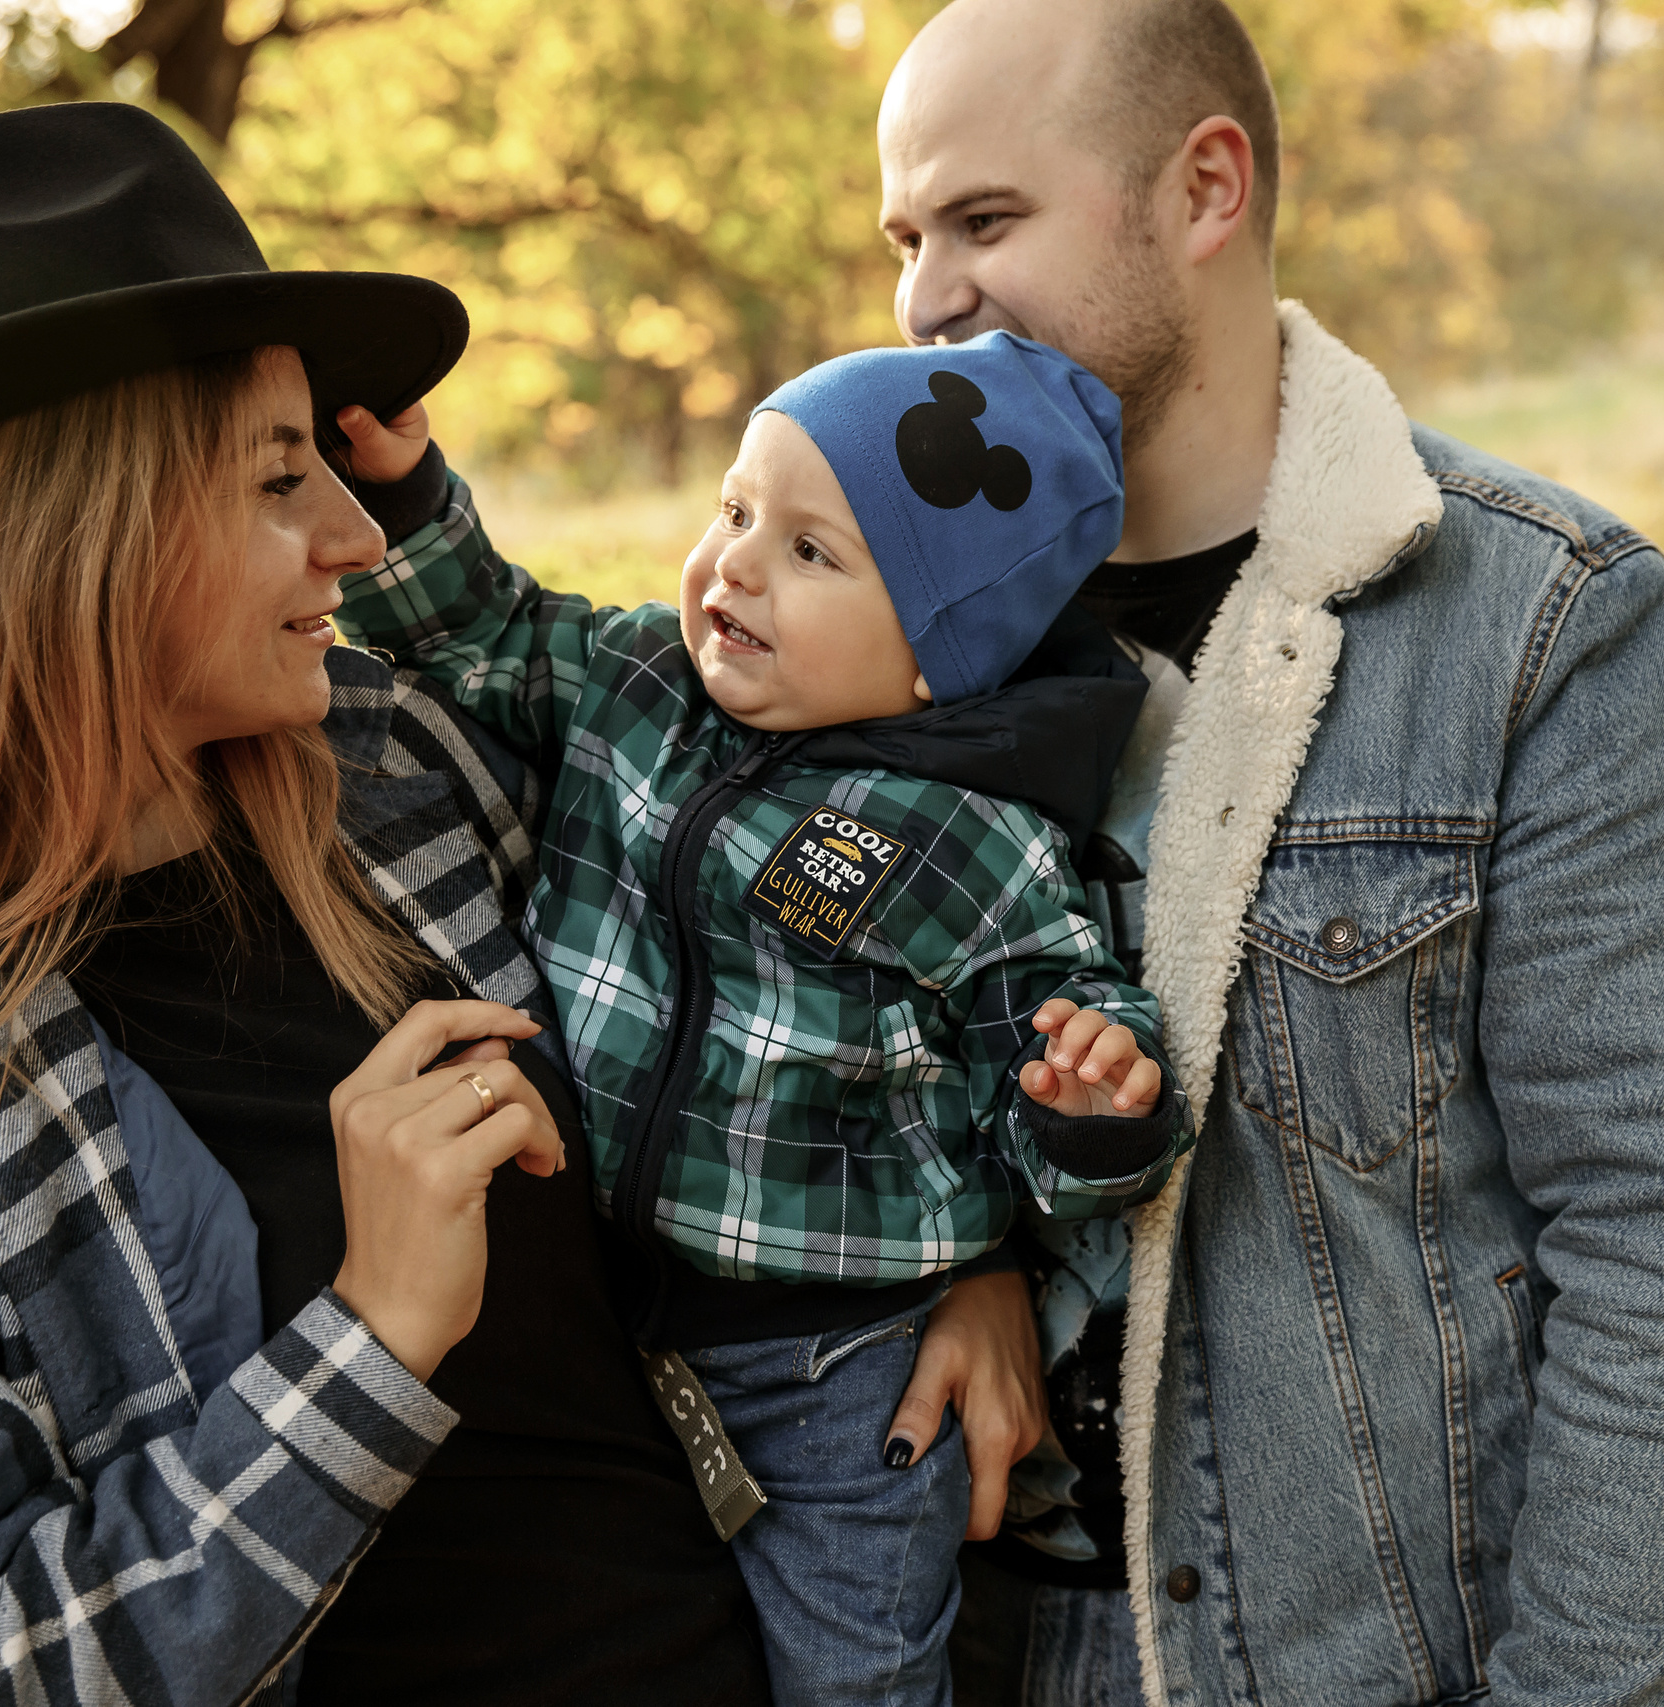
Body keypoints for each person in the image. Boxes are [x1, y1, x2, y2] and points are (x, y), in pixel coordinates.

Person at [0, 102, 1026, 1706]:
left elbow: (778, 998)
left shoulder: (402, 772)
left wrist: (953, 1260)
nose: (355, 536)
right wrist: (369, 1339)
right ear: (54, 544)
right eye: (282, 477)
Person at [873, 2, 1664, 1703]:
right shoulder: (897, 645)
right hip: (975, 1644)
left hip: (1396, 1660)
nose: (928, 294)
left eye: (985, 221)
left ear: (1206, 189)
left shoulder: (1551, 633)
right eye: (906, 237)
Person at [332, 331, 1195, 1706]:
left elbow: (1043, 1071)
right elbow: (480, 628)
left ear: (936, 658)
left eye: (811, 552)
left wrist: (1090, 1103)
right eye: (736, 510)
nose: (734, 563)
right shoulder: (633, 690)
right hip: (614, 1308)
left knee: (855, 1678)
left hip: (843, 1370)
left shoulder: (974, 847)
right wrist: (403, 494)